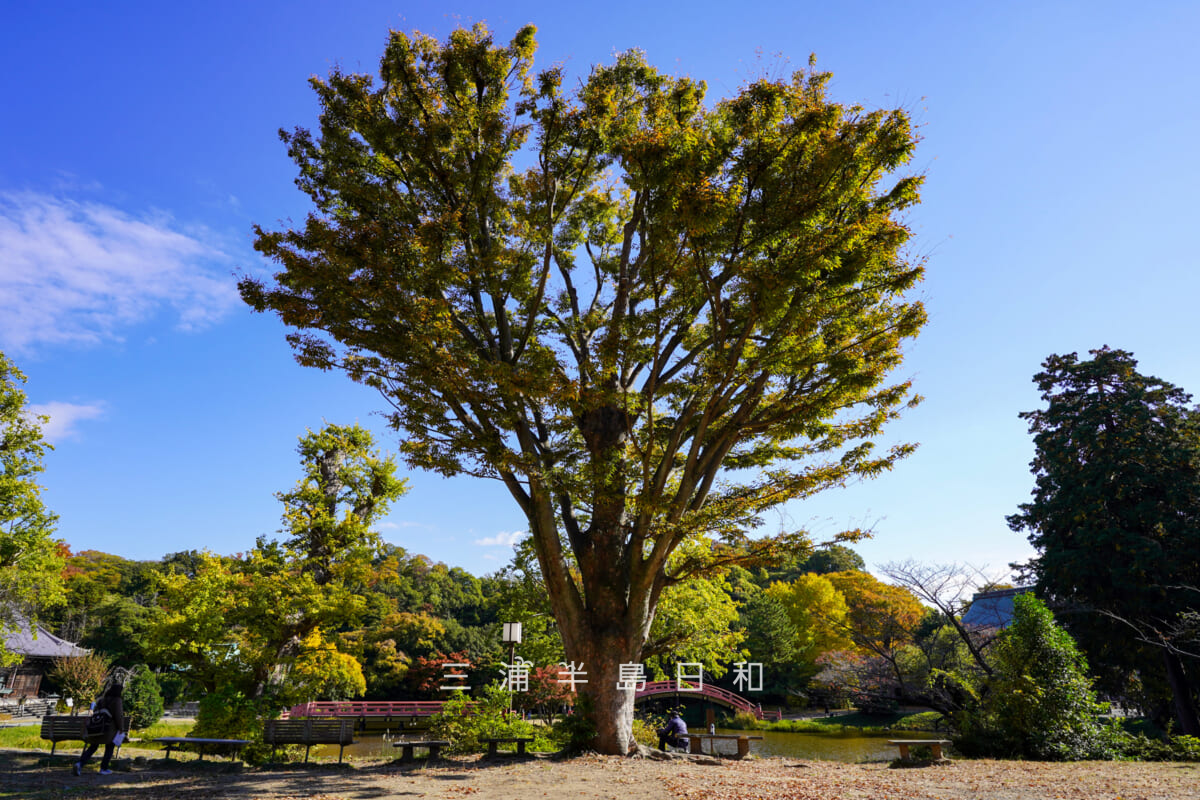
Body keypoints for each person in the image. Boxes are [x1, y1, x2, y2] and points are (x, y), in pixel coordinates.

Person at [73, 683, 124, 776]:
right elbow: (118, 715)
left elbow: (95, 712)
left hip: (97, 727)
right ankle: (104, 768)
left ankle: (80, 763)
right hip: (109, 728)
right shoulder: (117, 700)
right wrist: (121, 728)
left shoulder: (102, 700)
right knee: (109, 747)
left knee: (93, 747)